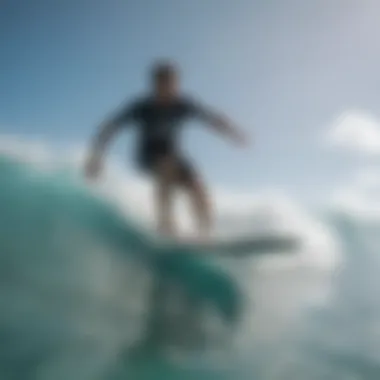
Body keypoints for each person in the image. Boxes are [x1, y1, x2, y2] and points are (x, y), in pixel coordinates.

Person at [84, 60, 248, 241]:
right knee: (165, 167)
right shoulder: (141, 108)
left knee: (197, 185)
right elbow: (110, 128)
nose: (168, 89)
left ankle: (206, 234)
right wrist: (95, 158)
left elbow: (211, 118)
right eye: (162, 84)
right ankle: (165, 227)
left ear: (176, 84)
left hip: (175, 156)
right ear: (154, 85)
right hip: (147, 156)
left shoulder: (183, 105)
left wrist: (233, 133)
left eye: (171, 84)